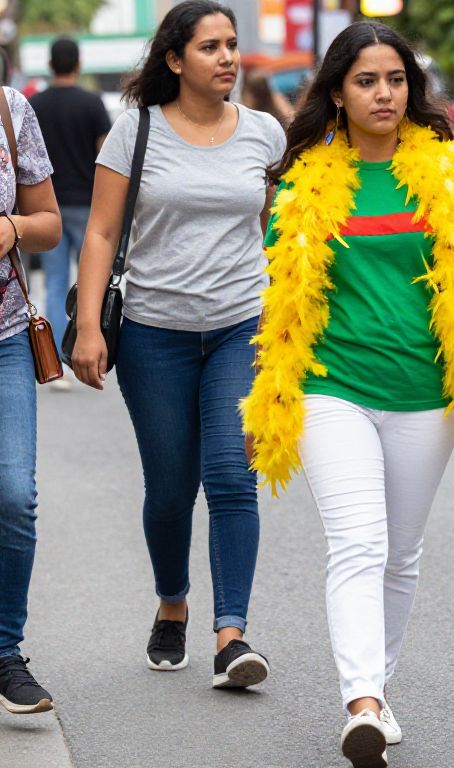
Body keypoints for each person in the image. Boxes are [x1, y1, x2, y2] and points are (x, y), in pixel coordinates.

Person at [241, 21, 454, 768]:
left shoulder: (444, 175)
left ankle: (379, 687)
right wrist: (267, 397)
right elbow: (280, 302)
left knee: (400, 552)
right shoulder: (303, 182)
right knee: (358, 542)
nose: (384, 94)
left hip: (425, 392)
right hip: (332, 386)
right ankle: (360, 701)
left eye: (395, 80)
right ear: (338, 93)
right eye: (366, 81)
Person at [71, 0, 285, 689]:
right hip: (153, 332)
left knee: (232, 475)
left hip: (240, 327)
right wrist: (87, 327)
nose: (228, 58)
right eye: (210, 47)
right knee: (169, 489)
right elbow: (101, 232)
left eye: (232, 45)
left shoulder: (265, 134)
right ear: (174, 58)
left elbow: (276, 227)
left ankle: (232, 636)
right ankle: (172, 602)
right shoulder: (134, 131)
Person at [0, 84, 62, 712]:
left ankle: (4, 652)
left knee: (14, 495)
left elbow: (49, 225)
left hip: (6, 338)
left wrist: (12, 226)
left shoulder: (10, 110)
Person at [29, 37, 111, 390]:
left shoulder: (36, 105)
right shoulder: (92, 103)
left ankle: (58, 364)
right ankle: (91, 350)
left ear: (50, 64)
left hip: (48, 207)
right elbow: (106, 154)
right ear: (78, 64)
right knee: (91, 281)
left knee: (55, 280)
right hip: (88, 204)